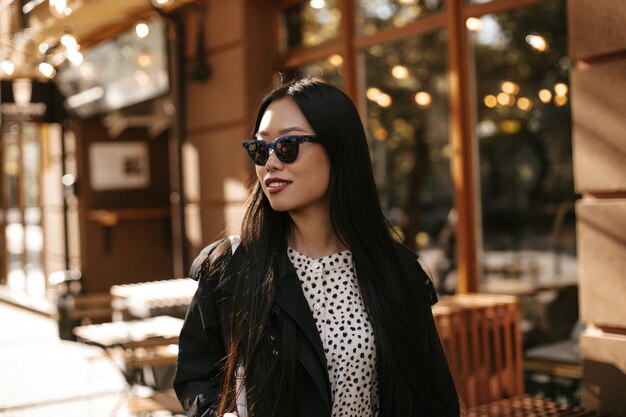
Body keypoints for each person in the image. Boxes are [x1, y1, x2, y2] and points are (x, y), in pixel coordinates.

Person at [174, 78, 460, 417]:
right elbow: (196, 378)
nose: (271, 163)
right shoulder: (232, 268)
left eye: (287, 146)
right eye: (261, 149)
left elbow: (433, 397)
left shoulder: (396, 271)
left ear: (338, 149)